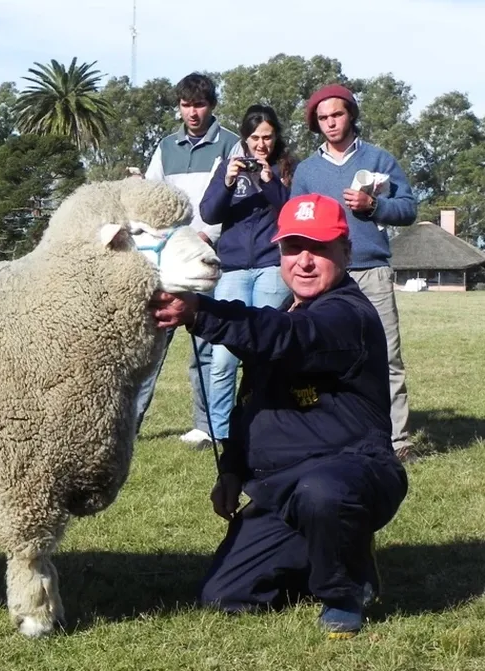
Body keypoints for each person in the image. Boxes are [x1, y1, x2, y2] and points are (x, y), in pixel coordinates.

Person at [152, 194, 407, 636]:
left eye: (319, 248)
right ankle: (330, 550)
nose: (304, 261)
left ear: (346, 252)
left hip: (352, 472)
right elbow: (251, 404)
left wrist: (199, 312)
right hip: (282, 489)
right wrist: (231, 471)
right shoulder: (288, 312)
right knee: (224, 596)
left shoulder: (348, 316)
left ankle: (344, 591)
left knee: (322, 492)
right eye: (293, 249)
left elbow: (286, 338)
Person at [291, 84, 418, 462]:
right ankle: (327, 431)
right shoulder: (307, 171)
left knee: (387, 357)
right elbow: (295, 225)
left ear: (351, 115)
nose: (331, 123)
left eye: (337, 115)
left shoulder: (379, 159)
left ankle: (397, 441)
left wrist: (374, 204)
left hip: (372, 270)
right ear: (316, 123)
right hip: (322, 277)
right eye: (323, 118)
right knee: (320, 356)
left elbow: (408, 209)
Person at [137, 72, 240, 448]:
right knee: (152, 346)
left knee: (208, 349)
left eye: (199, 104)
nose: (192, 112)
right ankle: (129, 424)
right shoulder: (165, 147)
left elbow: (234, 201)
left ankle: (206, 425)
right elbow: (151, 199)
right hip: (169, 264)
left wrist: (206, 236)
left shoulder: (232, 144)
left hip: (212, 260)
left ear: (211, 105)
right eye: (185, 105)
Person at [199, 105, 293, 443]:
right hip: (234, 269)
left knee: (262, 351)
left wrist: (269, 182)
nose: (261, 145)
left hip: (271, 266)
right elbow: (209, 213)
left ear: (276, 137)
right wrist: (227, 180)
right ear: (244, 138)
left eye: (267, 137)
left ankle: (263, 424)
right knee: (224, 355)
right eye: (254, 138)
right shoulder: (228, 166)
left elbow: (292, 212)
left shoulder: (285, 168)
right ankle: (220, 432)